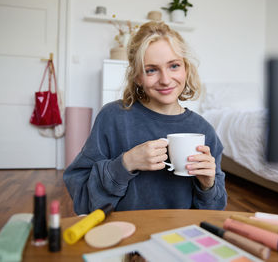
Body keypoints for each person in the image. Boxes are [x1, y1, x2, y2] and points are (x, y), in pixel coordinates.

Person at [63, 21, 227, 215]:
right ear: (138, 76)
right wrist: (125, 164)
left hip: (178, 236)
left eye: (174, 66)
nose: (165, 79)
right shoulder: (113, 118)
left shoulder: (204, 131)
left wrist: (208, 185)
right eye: (151, 70)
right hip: (121, 231)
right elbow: (82, 197)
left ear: (186, 69)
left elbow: (214, 212)